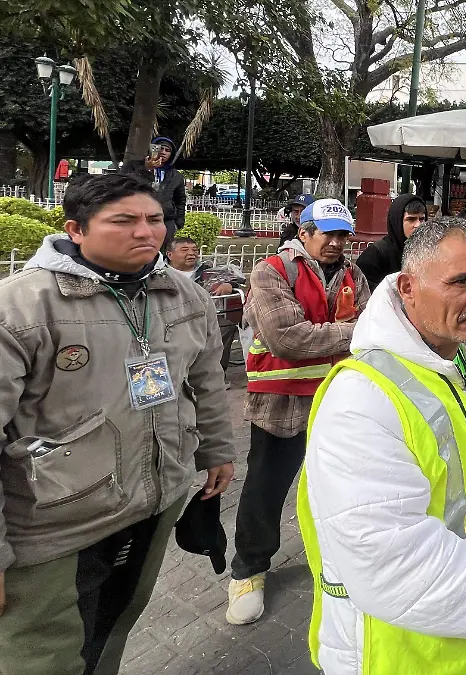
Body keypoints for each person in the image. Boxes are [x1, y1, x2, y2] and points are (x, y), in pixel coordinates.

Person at [297, 218, 466, 674]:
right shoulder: (361, 398)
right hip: (395, 653)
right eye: (461, 282)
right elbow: (391, 563)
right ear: (408, 288)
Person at [0, 173, 235, 674]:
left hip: (155, 500)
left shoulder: (183, 295)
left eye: (155, 219)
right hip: (51, 526)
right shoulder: (21, 307)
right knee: (41, 655)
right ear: (76, 229)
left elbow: (208, 380)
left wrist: (216, 449)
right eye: (124, 221)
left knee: (112, 626)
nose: (146, 232)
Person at [227, 198, 371, 625]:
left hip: (339, 400)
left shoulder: (353, 274)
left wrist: (343, 334)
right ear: (304, 233)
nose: (337, 242)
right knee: (265, 489)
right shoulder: (271, 271)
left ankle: (341, 559)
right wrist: (355, 332)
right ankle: (248, 571)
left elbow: (372, 328)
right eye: (328, 233)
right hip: (281, 403)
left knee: (340, 486)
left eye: (343, 235)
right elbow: (287, 338)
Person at [165, 237, 244, 380]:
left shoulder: (207, 271)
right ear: (170, 255)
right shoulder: (160, 273)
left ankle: (215, 376)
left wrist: (229, 285)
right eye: (184, 250)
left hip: (203, 316)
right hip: (171, 318)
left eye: (194, 250)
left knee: (224, 326)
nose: (191, 253)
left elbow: (236, 281)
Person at [355, 193, 427, 290]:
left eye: (421, 219)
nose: (418, 225)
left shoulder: (427, 252)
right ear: (397, 221)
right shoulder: (374, 256)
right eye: (411, 219)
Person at [121, 136, 186, 242]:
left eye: (167, 150)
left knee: (163, 249)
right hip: (137, 217)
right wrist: (146, 169)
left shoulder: (175, 176)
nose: (163, 152)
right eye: (160, 148)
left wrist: (178, 222)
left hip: (165, 220)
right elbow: (124, 185)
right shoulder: (134, 166)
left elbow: (180, 200)